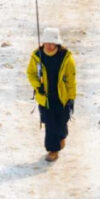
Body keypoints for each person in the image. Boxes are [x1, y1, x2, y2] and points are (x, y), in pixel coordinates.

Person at [26, 27, 76, 162]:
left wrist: (71, 98)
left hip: (62, 96)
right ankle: (52, 150)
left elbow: (71, 79)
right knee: (50, 124)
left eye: (52, 43)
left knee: (62, 121)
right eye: (46, 43)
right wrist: (38, 86)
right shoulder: (37, 56)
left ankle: (62, 136)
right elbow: (30, 73)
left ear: (57, 44)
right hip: (45, 98)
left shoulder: (66, 57)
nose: (49, 46)